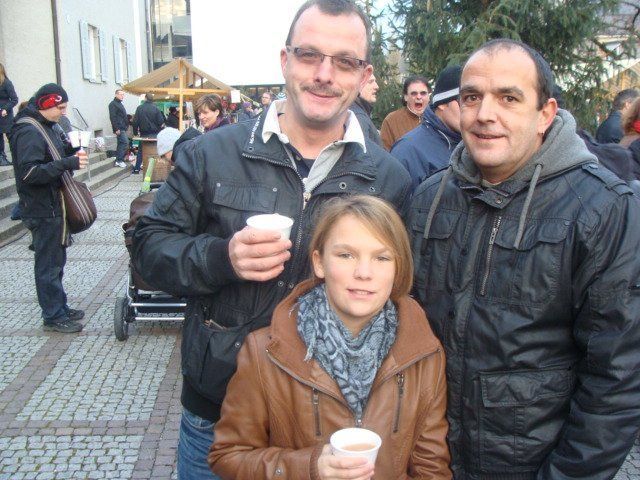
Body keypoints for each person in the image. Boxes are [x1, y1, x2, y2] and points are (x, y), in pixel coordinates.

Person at [132, 0, 411, 478]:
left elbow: (401, 296)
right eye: (309, 55)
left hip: (328, 421)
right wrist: (222, 258)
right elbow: (148, 249)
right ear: (285, 60)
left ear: (364, 75)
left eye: (345, 62)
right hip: (218, 411)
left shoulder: (388, 177)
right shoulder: (211, 154)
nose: (324, 74)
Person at [408, 39, 640, 478]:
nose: (485, 113)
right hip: (430, 461)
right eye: (471, 97)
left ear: (545, 113)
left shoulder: (602, 208)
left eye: (508, 98)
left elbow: (616, 380)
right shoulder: (428, 199)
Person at [209, 195, 451, 479]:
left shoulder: (424, 353)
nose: (364, 273)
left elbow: (431, 466)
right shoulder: (264, 352)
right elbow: (228, 456)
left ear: (398, 269)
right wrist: (310, 468)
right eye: (346, 255)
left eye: (382, 258)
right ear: (319, 262)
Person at [9, 83, 89, 333]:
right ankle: (53, 316)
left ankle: (59, 306)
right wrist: (68, 163)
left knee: (56, 261)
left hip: (53, 205)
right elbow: (30, 173)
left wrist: (72, 150)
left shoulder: (47, 126)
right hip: (42, 208)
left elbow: (54, 154)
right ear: (46, 104)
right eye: (60, 107)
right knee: (48, 265)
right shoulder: (28, 131)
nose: (63, 112)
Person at [392, 65, 462, 191]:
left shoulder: (475, 145)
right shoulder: (407, 151)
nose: (474, 111)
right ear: (442, 103)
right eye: (463, 101)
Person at [380, 75, 430, 150]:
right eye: (414, 93)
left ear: (429, 96)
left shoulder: (437, 118)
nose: (419, 97)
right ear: (406, 97)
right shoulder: (391, 120)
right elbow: (385, 152)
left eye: (423, 93)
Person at [132, 92, 165, 173]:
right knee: (154, 151)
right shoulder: (156, 108)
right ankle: (155, 169)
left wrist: (135, 133)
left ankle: (137, 168)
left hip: (144, 133)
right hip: (155, 134)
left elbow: (135, 122)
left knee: (141, 151)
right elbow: (161, 122)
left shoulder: (139, 108)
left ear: (145, 98)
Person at [350, 73, 381, 146]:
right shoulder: (356, 116)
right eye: (370, 82)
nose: (377, 86)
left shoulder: (357, 112)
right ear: (356, 85)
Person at [0, 63, 18, 166]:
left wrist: (5, 109)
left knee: (11, 136)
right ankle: (2, 158)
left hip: (5, 115)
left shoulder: (7, 83)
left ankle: (16, 157)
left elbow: (14, 99)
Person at [108, 89, 129, 168]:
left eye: (123, 95)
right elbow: (112, 117)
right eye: (121, 94)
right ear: (116, 95)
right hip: (119, 127)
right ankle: (119, 160)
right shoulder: (113, 104)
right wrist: (116, 128)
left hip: (123, 127)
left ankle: (118, 160)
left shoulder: (119, 104)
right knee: (125, 142)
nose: (122, 96)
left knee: (121, 143)